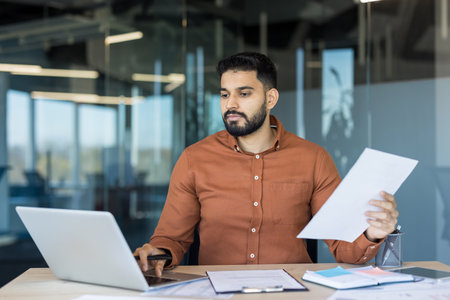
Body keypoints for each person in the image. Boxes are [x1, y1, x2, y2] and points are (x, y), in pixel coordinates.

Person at [134, 52, 399, 277]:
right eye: (225, 95)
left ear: (270, 99)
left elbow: (346, 249)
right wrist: (156, 255)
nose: (231, 104)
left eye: (244, 93)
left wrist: (373, 233)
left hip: (292, 292)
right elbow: (171, 240)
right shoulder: (194, 159)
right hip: (215, 291)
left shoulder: (313, 159)